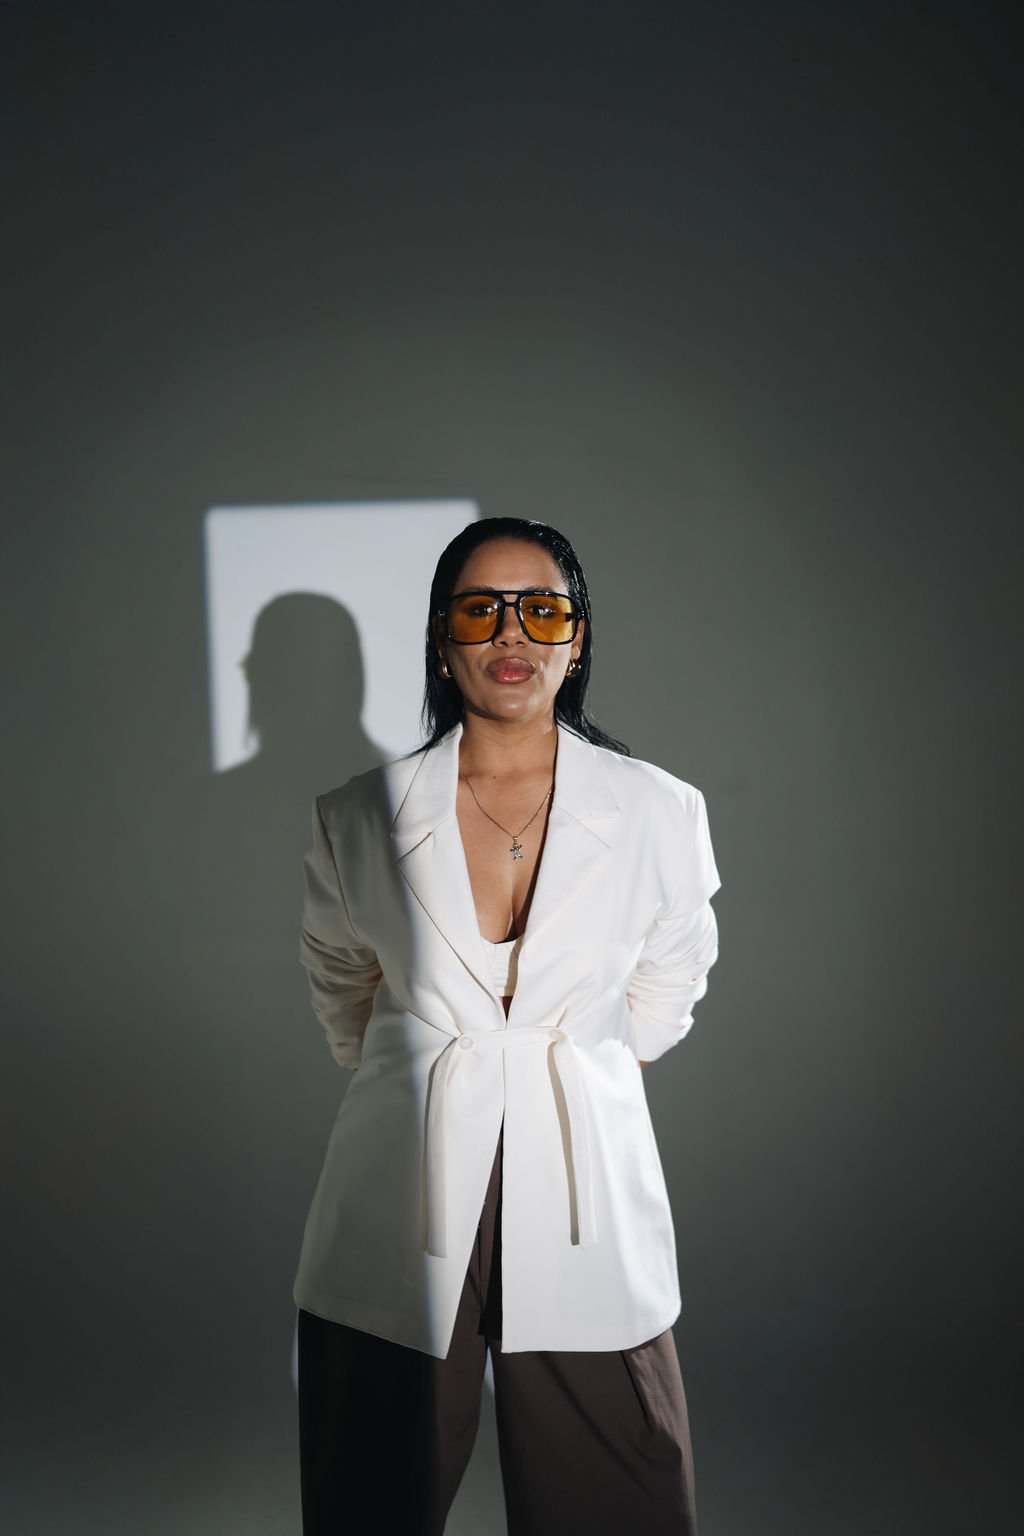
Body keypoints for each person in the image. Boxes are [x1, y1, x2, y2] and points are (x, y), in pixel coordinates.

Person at [294, 517, 722, 1535]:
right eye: (480, 609)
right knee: (370, 1485)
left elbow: (671, 980)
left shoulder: (658, 810)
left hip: (581, 1184)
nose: (512, 633)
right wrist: (419, 1072)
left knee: (614, 1493)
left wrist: (578, 1076)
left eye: (543, 610)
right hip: (401, 1177)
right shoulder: (360, 813)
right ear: (440, 638)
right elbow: (340, 977)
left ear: (578, 638)